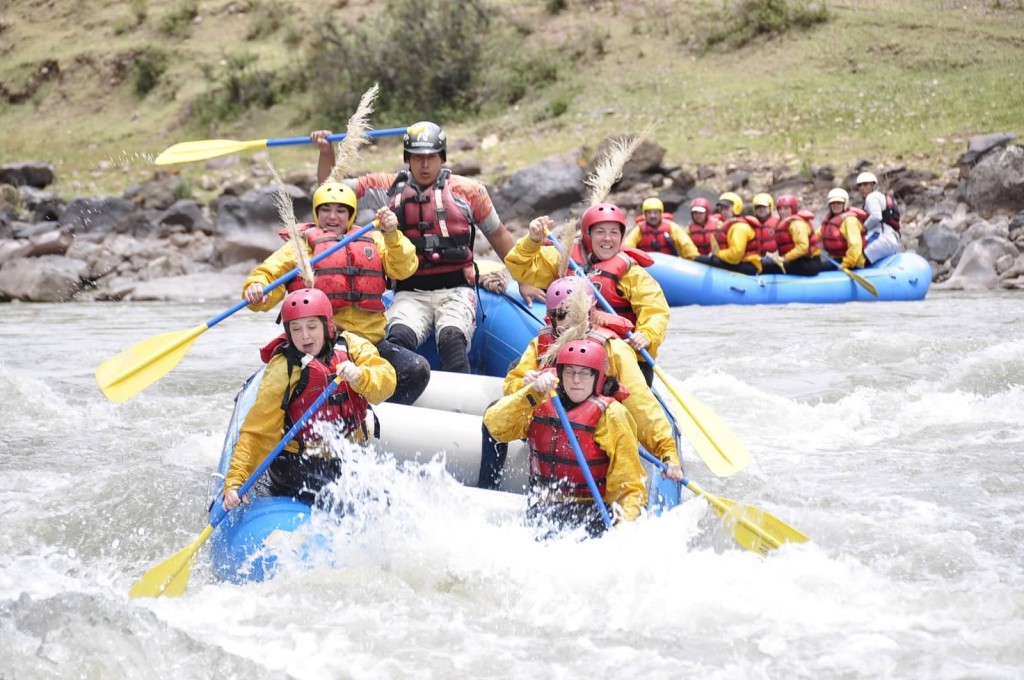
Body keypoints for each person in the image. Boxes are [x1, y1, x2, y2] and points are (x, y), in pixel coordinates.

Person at [313, 121, 545, 373]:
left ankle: (460, 404)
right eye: (418, 158)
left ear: (442, 158)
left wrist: (524, 280)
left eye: (431, 157)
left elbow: (498, 235)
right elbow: (330, 189)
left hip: (456, 290)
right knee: (397, 341)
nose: (425, 165)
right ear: (407, 159)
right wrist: (327, 152)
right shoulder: (387, 188)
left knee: (452, 341)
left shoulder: (469, 192)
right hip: (409, 292)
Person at [478, 278, 683, 490]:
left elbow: (641, 405)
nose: (566, 321)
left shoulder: (614, 350)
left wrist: (666, 451)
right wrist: (525, 384)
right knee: (493, 412)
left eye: (573, 313)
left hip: (592, 428)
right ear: (551, 318)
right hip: (548, 423)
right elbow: (512, 387)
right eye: (559, 314)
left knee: (614, 420)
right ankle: (487, 487)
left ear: (589, 313)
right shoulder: (541, 345)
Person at [241, 181, 430, 405]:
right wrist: (256, 288)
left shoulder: (375, 239)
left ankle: (377, 418)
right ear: (316, 212)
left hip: (370, 344)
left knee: (417, 370)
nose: (333, 216)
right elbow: (267, 277)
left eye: (341, 210)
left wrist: (392, 234)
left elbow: (405, 267)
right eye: (326, 210)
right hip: (321, 346)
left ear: (351, 214)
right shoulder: (299, 248)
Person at [222, 288, 397, 510]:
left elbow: (387, 382)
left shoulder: (352, 346)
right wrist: (236, 480)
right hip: (298, 464)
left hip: (348, 453)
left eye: (312, 327)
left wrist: (361, 376)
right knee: (340, 500)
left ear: (327, 326)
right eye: (296, 329)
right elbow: (258, 431)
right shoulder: (283, 369)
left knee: (383, 499)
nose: (304, 335)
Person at [482, 337, 647, 537]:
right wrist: (530, 391)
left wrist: (623, 532)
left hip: (593, 512)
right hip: (543, 507)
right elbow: (494, 425)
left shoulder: (612, 415)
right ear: (560, 374)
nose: (576, 380)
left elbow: (630, 487)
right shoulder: (540, 401)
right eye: (569, 372)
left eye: (585, 373)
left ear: (598, 377)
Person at [504, 202, 671, 386]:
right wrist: (532, 240)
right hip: (569, 346)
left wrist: (646, 334)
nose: (607, 238)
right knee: (516, 367)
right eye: (600, 232)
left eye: (614, 233)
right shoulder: (563, 258)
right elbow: (519, 268)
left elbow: (656, 310)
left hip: (616, 353)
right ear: (588, 235)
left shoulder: (633, 274)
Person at [694, 192, 762, 275]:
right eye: (722, 209)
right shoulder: (732, 225)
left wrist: (717, 254)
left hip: (748, 267)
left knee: (700, 260)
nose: (723, 212)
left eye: (726, 208)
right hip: (742, 263)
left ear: (736, 208)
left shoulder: (739, 228)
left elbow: (735, 256)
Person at [759, 194, 822, 276]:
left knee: (764, 267)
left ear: (793, 209)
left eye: (786, 208)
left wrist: (785, 258)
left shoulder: (797, 224)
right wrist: (776, 255)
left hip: (808, 263)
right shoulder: (788, 223)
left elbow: (802, 247)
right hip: (798, 260)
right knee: (765, 263)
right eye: (780, 209)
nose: (782, 212)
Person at [623, 197, 698, 259]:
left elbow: (686, 245)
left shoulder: (672, 227)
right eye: (649, 213)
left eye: (656, 212)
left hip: (669, 264)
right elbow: (628, 246)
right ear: (645, 214)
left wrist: (695, 257)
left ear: (661, 213)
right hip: (646, 266)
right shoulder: (639, 230)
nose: (652, 216)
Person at [855, 171, 900, 265]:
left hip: (881, 238)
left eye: (865, 184)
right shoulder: (881, 197)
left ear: (873, 185)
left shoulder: (871, 197)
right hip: (891, 240)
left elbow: (876, 216)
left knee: (853, 256)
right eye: (860, 185)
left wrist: (863, 228)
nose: (862, 188)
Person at [818, 188, 866, 270]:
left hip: (851, 262)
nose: (835, 205)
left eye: (839, 203)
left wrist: (847, 263)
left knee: (816, 268)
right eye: (833, 203)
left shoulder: (850, 220)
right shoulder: (830, 220)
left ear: (845, 204)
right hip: (835, 258)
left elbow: (855, 245)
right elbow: (817, 236)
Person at [752, 192, 779, 257]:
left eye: (764, 207)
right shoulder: (750, 225)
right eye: (758, 207)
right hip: (756, 260)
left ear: (770, 207)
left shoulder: (779, 223)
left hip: (774, 260)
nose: (761, 209)